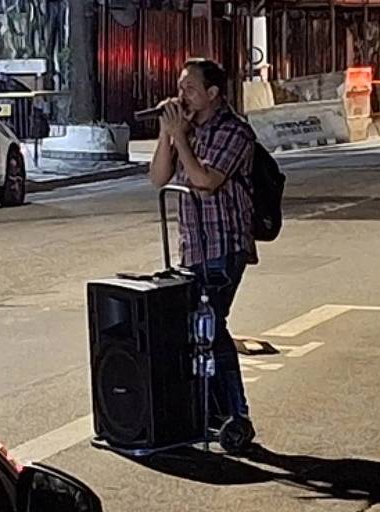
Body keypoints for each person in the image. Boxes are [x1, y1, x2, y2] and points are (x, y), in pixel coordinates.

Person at [149, 58, 257, 452]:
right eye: (180, 87)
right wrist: (168, 135)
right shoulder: (186, 131)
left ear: (213, 94)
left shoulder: (235, 132)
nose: (182, 95)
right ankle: (212, 414)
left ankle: (234, 415)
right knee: (199, 331)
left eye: (191, 88)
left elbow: (205, 181)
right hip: (192, 246)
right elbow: (158, 179)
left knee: (211, 327)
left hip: (223, 247)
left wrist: (182, 138)